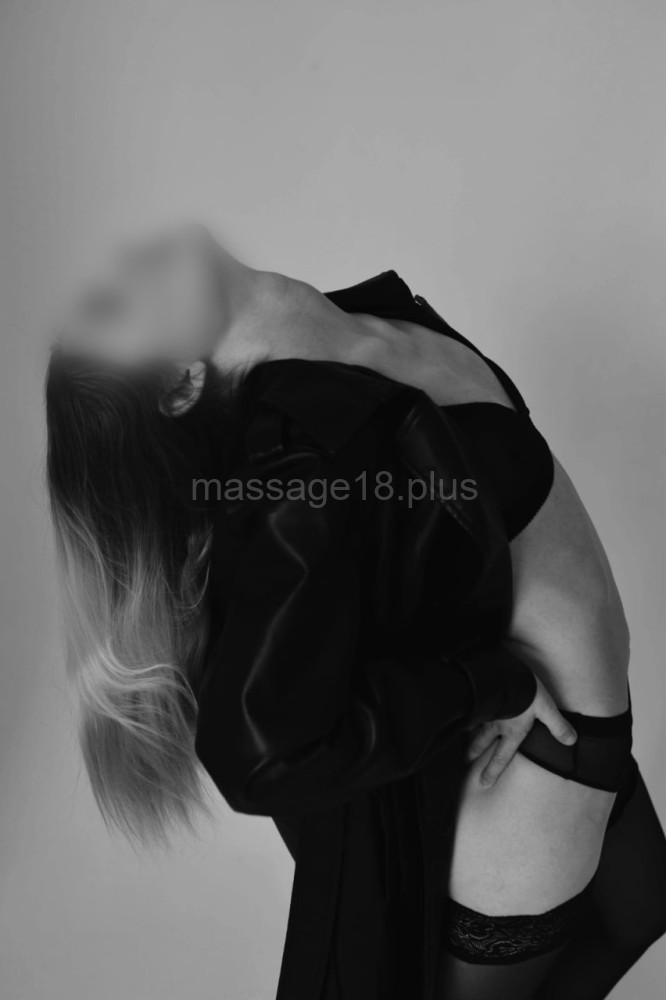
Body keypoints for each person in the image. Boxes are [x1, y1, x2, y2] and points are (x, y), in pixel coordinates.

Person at [45, 224, 666, 999]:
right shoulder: (292, 459)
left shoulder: (364, 324)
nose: (118, 265)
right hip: (523, 785)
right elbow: (260, 754)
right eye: (111, 307)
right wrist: (487, 684)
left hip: (583, 737)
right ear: (180, 385)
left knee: (640, 908)